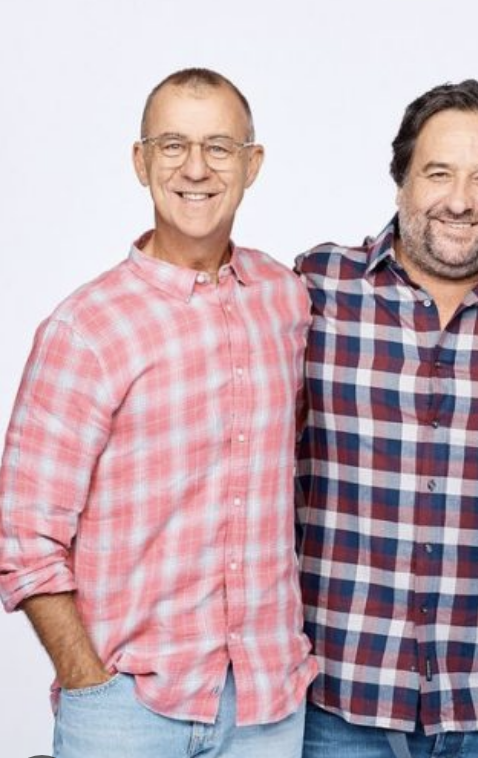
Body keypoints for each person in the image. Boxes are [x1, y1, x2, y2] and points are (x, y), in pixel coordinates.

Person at [0, 68, 314, 757]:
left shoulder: (287, 301)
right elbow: (24, 536)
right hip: (127, 712)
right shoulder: (85, 329)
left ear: (252, 164)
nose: (195, 168)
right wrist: (88, 679)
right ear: (140, 161)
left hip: (267, 704)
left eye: (219, 147)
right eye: (172, 145)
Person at [295, 80, 478, 758]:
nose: (460, 200)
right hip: (340, 691)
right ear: (400, 179)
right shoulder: (315, 288)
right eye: (438, 173)